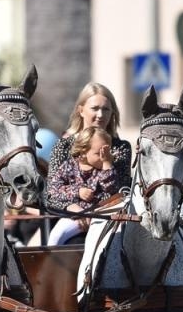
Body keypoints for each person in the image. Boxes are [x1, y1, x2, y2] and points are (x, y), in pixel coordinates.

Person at [45, 82, 131, 211]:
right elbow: (51, 193)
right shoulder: (63, 146)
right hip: (69, 216)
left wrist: (94, 211)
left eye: (106, 109)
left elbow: (122, 191)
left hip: (107, 216)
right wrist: (73, 208)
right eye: (95, 108)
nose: (100, 114)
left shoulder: (120, 148)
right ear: (81, 110)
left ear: (112, 113)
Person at [45, 126, 127, 245]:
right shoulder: (69, 166)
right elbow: (54, 188)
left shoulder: (105, 168)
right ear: (83, 152)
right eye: (98, 153)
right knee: (56, 235)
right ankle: (50, 257)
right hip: (75, 217)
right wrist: (77, 191)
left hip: (101, 217)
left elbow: (111, 188)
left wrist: (107, 164)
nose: (104, 156)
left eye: (107, 152)